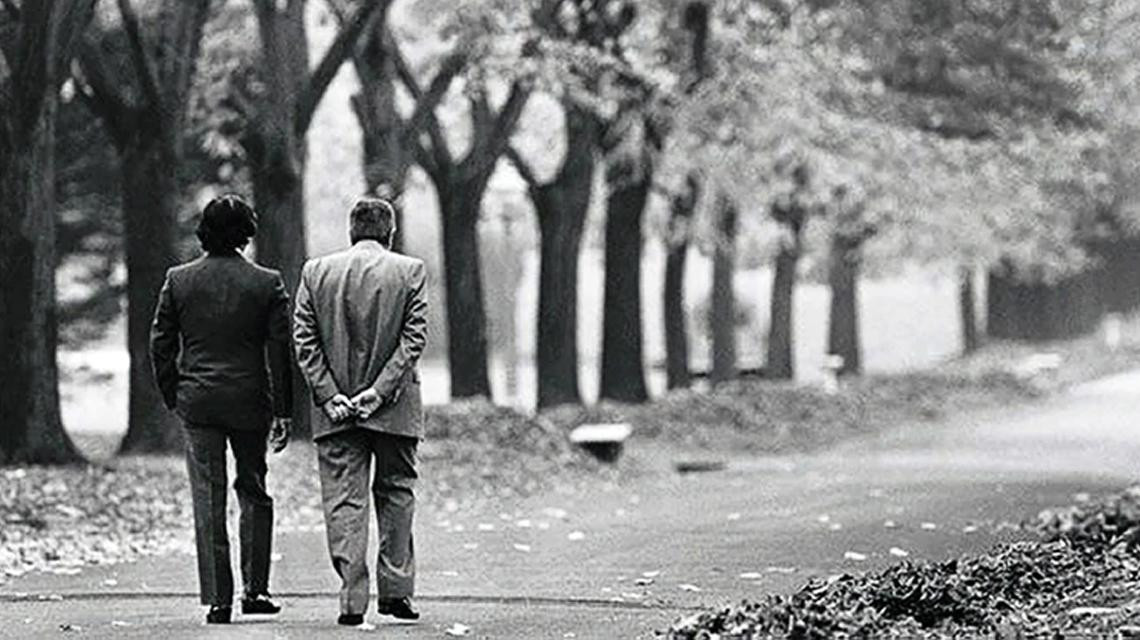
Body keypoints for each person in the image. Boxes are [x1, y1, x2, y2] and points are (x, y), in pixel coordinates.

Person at [150, 194, 292, 624]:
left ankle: (218, 599)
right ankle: (257, 589)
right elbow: (280, 351)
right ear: (246, 233)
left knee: (208, 498)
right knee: (254, 490)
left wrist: (174, 393)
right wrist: (285, 411)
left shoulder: (179, 280)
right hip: (251, 401)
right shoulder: (267, 282)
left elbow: (160, 344)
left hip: (199, 402)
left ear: (204, 232)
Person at [293, 197, 427, 627]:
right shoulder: (410, 271)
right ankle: (396, 592)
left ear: (352, 232)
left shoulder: (316, 272)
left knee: (344, 502)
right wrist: (378, 391)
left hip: (334, 413)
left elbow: (305, 339)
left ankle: (352, 599)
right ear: (389, 233)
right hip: (395, 409)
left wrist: (330, 394)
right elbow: (413, 338)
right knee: (397, 493)